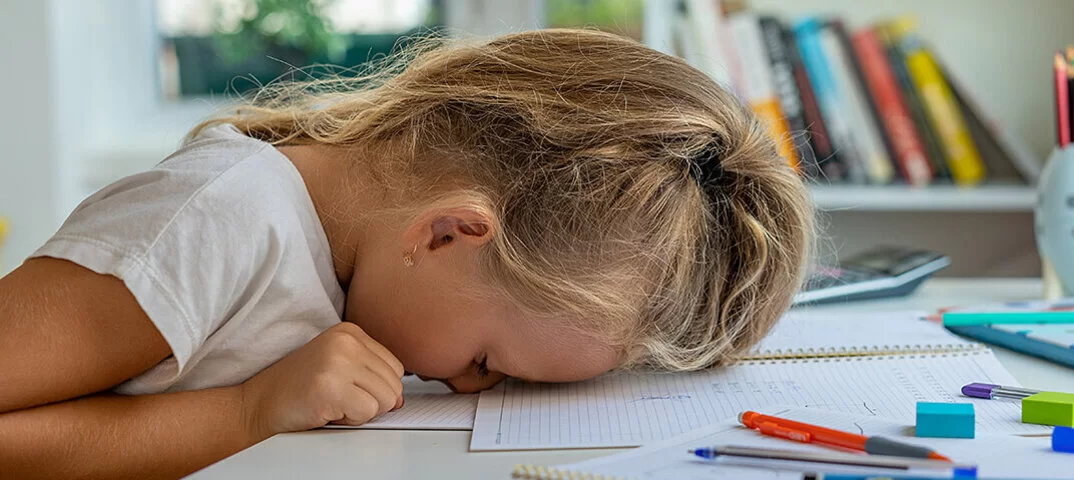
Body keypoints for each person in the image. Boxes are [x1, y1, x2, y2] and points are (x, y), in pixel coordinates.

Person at [0, 29, 814, 478]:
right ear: (446, 232)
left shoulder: (344, 262)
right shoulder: (211, 224)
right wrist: (246, 413)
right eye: (489, 358)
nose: (468, 384)